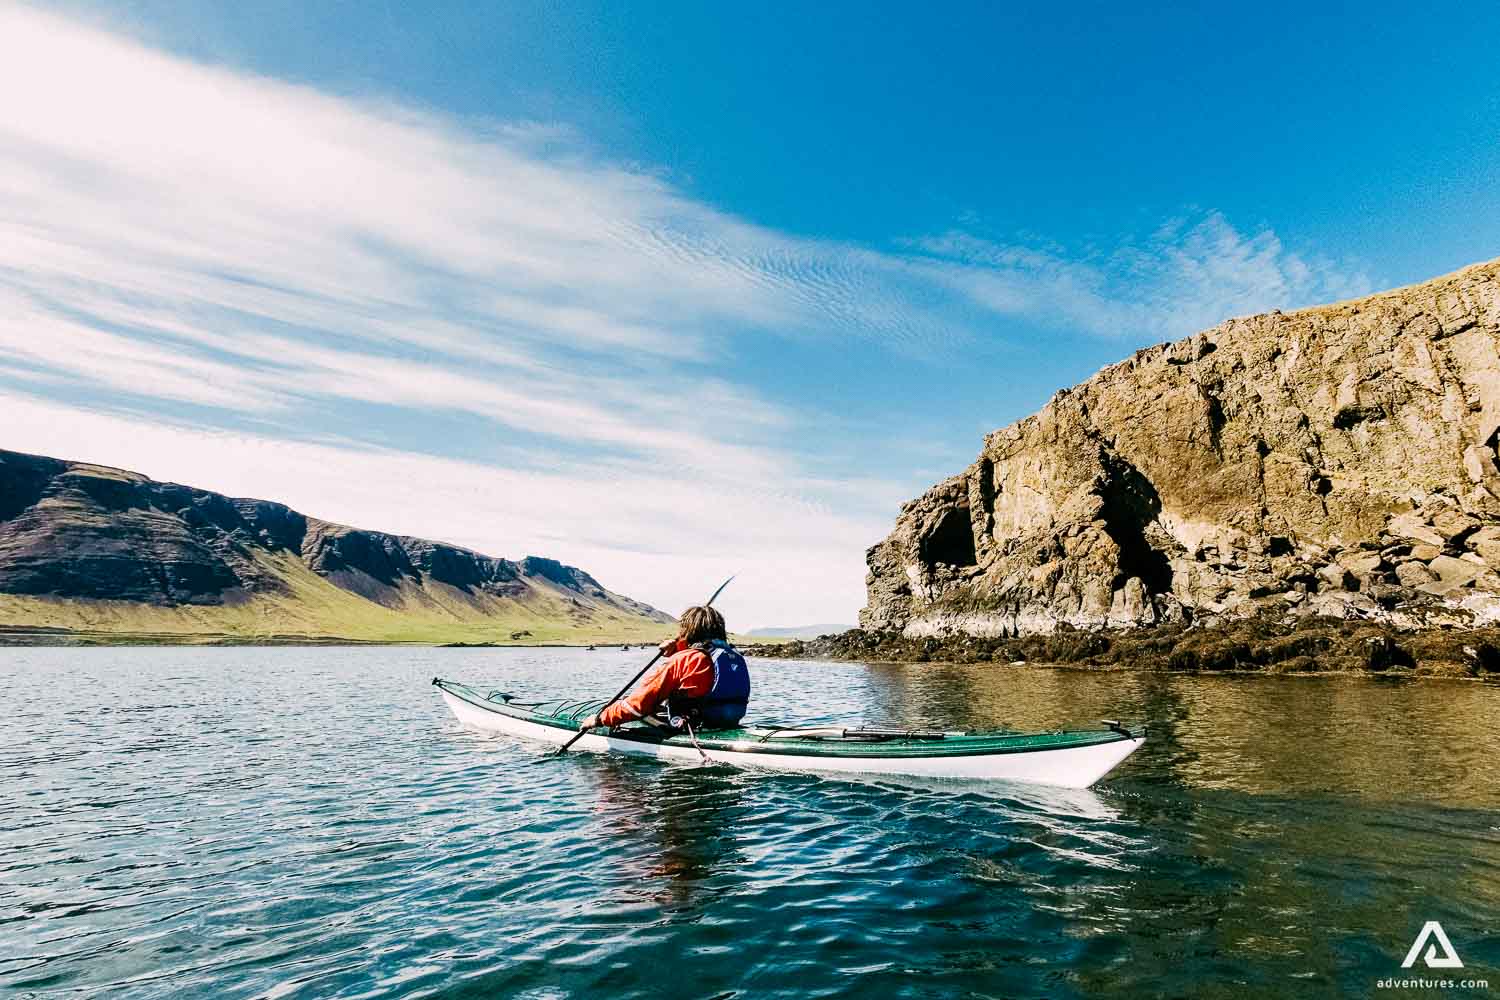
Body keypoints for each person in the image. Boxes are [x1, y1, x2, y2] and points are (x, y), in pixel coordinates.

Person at [579, 606, 751, 732]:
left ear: (687, 632)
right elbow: (703, 658)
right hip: (728, 722)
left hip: (692, 726)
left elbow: (637, 705)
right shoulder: (733, 655)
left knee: (631, 704)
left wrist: (600, 719)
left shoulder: (683, 659)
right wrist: (678, 647)